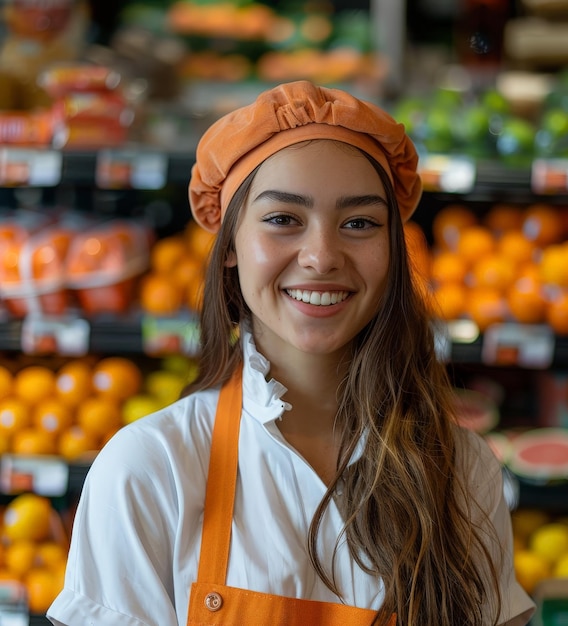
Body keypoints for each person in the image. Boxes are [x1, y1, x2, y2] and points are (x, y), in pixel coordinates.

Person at [47, 80, 535, 626]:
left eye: (359, 223)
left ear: (394, 250)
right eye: (283, 219)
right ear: (229, 245)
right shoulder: (148, 469)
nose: (322, 256)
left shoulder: (462, 470)